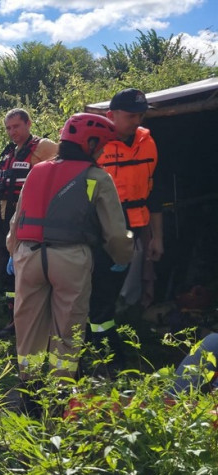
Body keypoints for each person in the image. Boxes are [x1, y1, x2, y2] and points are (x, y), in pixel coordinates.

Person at [7, 113, 133, 399]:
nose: (101, 152)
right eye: (100, 146)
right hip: (71, 258)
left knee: (28, 326)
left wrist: (13, 252)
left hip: (28, 255)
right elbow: (115, 234)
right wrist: (123, 255)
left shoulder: (36, 171)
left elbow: (16, 222)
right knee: (69, 327)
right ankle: (60, 393)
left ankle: (30, 390)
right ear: (88, 144)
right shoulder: (97, 177)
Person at [88, 88, 162, 362]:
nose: (137, 120)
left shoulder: (148, 143)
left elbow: (155, 192)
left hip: (135, 228)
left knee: (120, 285)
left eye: (141, 115)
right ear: (111, 115)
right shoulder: (96, 145)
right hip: (101, 230)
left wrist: (157, 237)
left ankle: (117, 330)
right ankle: (100, 342)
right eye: (131, 115)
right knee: (99, 287)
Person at [0, 109, 59, 338]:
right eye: (8, 128)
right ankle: (14, 320)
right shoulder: (8, 153)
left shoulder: (44, 147)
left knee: (28, 269)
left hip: (28, 219)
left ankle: (38, 321)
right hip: (4, 216)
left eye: (16, 126)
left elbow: (58, 178)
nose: (12, 132)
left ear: (28, 123)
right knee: (6, 272)